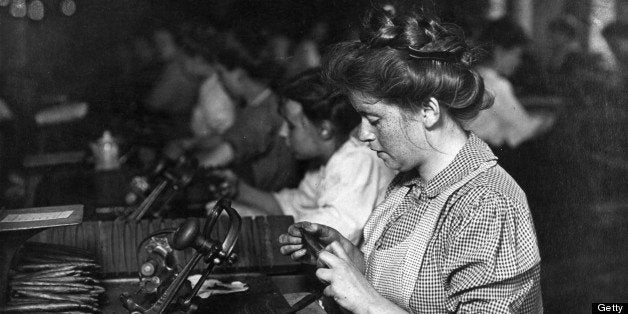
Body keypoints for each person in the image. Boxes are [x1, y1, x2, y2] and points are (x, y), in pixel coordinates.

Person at [279, 9, 542, 313]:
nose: (363, 134)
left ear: (428, 111)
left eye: (374, 119)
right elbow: (413, 291)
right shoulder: (409, 184)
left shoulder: (487, 205)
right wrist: (349, 261)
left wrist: (366, 301)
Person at [216, 69, 394, 243]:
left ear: (324, 130)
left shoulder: (358, 160)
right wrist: (239, 189)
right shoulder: (325, 163)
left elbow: (334, 231)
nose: (284, 134)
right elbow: (291, 207)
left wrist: (259, 237)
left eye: (291, 126)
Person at [465, 18, 554, 148]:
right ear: (499, 52)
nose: (518, 62)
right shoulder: (496, 84)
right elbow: (525, 129)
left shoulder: (473, 76)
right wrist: (546, 121)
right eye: (516, 54)